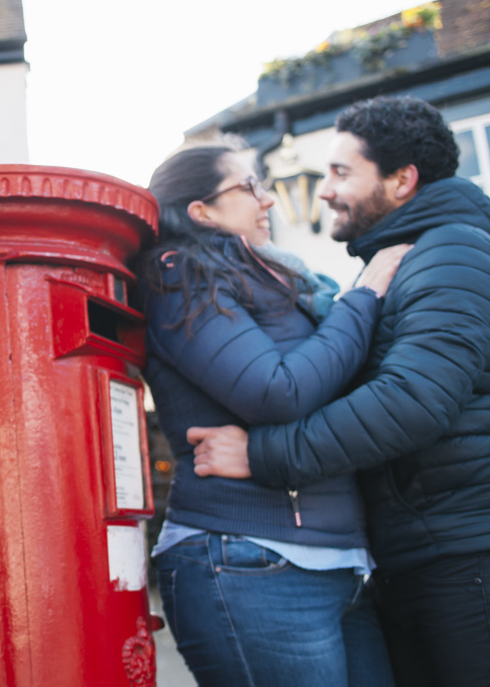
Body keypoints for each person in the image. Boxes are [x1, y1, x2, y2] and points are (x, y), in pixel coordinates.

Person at [189, 95, 490, 687]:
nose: (324, 190)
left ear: (401, 180)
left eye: (341, 172)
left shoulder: (453, 253)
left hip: (472, 554)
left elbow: (411, 401)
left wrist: (262, 453)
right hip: (429, 549)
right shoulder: (405, 261)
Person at [137, 143, 407, 687]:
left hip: (343, 561)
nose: (267, 200)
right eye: (249, 187)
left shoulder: (286, 279)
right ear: (201, 211)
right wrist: (366, 294)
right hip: (247, 557)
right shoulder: (179, 274)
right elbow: (277, 391)